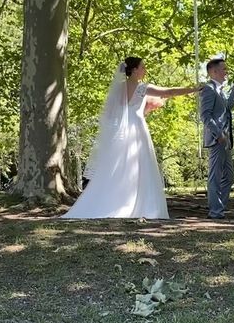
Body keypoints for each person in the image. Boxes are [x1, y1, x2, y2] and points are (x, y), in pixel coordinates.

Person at [62, 57, 199, 219]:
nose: (144, 70)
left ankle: (112, 202)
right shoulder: (142, 87)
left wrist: (145, 109)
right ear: (134, 70)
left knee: (120, 167)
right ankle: (141, 205)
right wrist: (194, 89)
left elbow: (113, 114)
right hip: (137, 130)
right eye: (142, 67)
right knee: (140, 166)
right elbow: (169, 92)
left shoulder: (118, 89)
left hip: (121, 132)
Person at [200, 57, 234, 219]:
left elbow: (227, 108)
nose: (227, 72)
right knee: (215, 176)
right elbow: (205, 116)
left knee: (228, 176)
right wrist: (218, 134)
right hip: (217, 139)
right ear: (214, 71)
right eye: (224, 69)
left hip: (226, 139)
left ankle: (219, 208)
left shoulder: (220, 91)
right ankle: (215, 212)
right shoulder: (208, 89)